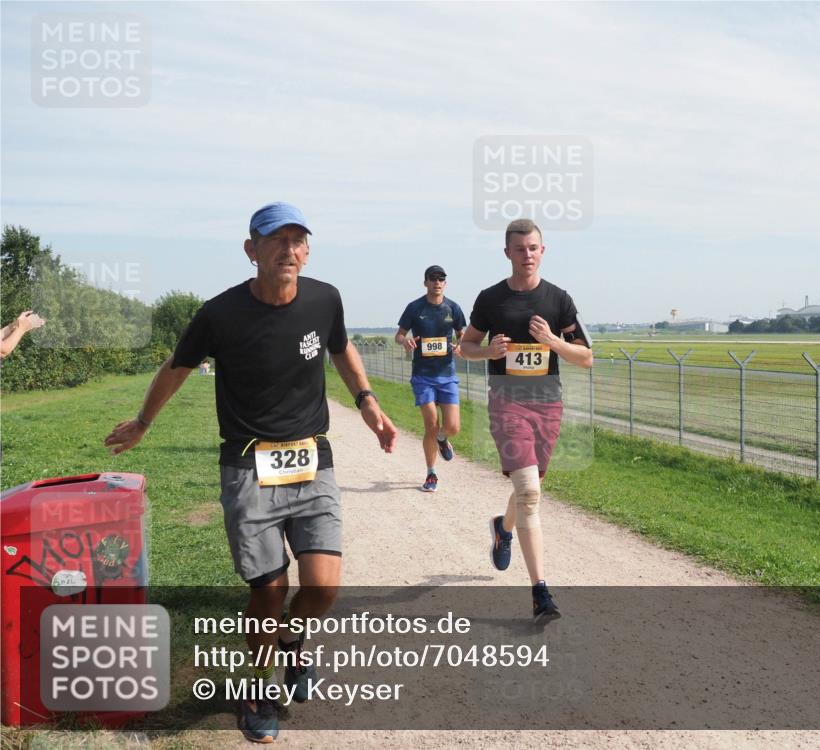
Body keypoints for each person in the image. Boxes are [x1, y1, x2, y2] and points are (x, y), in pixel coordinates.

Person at [104, 202, 397, 743]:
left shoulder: (325, 298)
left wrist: (368, 400)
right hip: (248, 464)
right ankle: (257, 687)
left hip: (312, 458)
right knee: (267, 592)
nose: (288, 249)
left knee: (324, 589)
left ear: (307, 250)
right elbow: (177, 368)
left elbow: (342, 348)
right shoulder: (220, 314)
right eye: (276, 240)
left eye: (297, 240)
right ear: (251, 250)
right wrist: (144, 421)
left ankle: (292, 645)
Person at [460, 219, 592, 623]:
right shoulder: (490, 300)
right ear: (507, 253)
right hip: (507, 401)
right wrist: (489, 353)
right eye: (519, 249)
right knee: (530, 491)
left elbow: (586, 357)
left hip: (547, 403)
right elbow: (464, 347)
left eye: (533, 248)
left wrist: (553, 342)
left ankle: (503, 528)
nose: (527, 254)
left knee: (530, 486)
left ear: (543, 250)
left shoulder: (559, 300)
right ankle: (540, 593)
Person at [394, 265, 466, 492]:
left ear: (445, 283)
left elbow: (462, 334)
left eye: (441, 279)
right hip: (423, 376)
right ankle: (431, 473)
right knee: (431, 424)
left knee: (453, 427)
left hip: (447, 374)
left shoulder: (453, 308)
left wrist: (460, 345)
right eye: (433, 279)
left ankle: (444, 439)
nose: (437, 282)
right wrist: (404, 341)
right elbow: (399, 335)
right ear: (425, 282)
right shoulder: (415, 308)